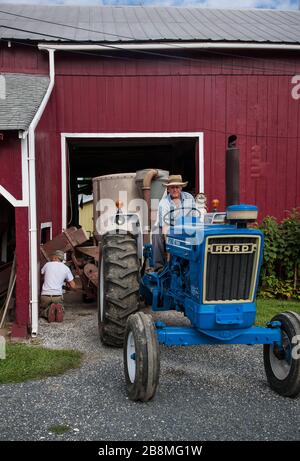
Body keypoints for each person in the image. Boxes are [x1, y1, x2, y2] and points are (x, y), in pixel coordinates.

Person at [152, 175, 195, 271]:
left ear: (181, 188)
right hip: (169, 229)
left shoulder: (189, 197)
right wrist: (169, 249)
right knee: (156, 233)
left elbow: (194, 217)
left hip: (186, 227)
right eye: (172, 187)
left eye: (177, 187)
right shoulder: (164, 203)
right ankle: (159, 267)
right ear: (168, 189)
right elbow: (164, 227)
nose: (175, 190)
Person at [40, 250, 76, 322]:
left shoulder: (47, 264)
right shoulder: (66, 268)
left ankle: (47, 312)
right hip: (57, 296)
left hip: (45, 296)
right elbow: (73, 286)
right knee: (59, 304)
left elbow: (41, 273)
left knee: (41, 310)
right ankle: (59, 309)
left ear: (55, 257)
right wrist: (64, 280)